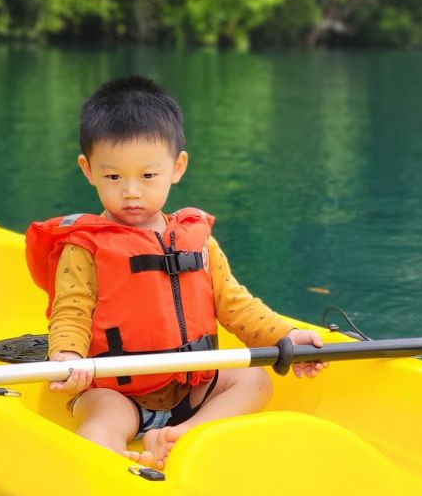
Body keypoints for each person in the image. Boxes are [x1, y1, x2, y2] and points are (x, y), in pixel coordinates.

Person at [24, 75, 326, 469]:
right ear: (88, 169)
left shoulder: (197, 241)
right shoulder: (85, 246)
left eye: (148, 176)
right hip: (117, 391)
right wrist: (67, 357)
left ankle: (180, 433)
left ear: (177, 167)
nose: (131, 191)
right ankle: (111, 463)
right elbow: (71, 311)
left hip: (191, 388)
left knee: (254, 380)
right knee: (99, 422)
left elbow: (236, 305)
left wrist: (286, 336)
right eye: (114, 177)